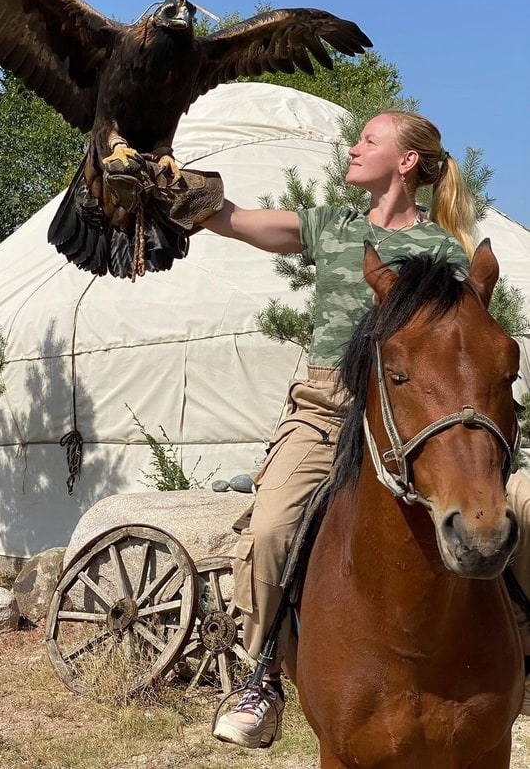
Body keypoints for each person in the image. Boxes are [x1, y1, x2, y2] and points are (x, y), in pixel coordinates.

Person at [201, 109, 530, 749]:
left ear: (406, 161)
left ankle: (515, 640)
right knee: (272, 527)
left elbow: (460, 350)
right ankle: (260, 671)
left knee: (517, 510)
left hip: (426, 413)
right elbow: (239, 222)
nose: (353, 148)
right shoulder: (331, 226)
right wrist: (183, 193)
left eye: (369, 140)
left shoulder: (444, 251)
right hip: (328, 408)